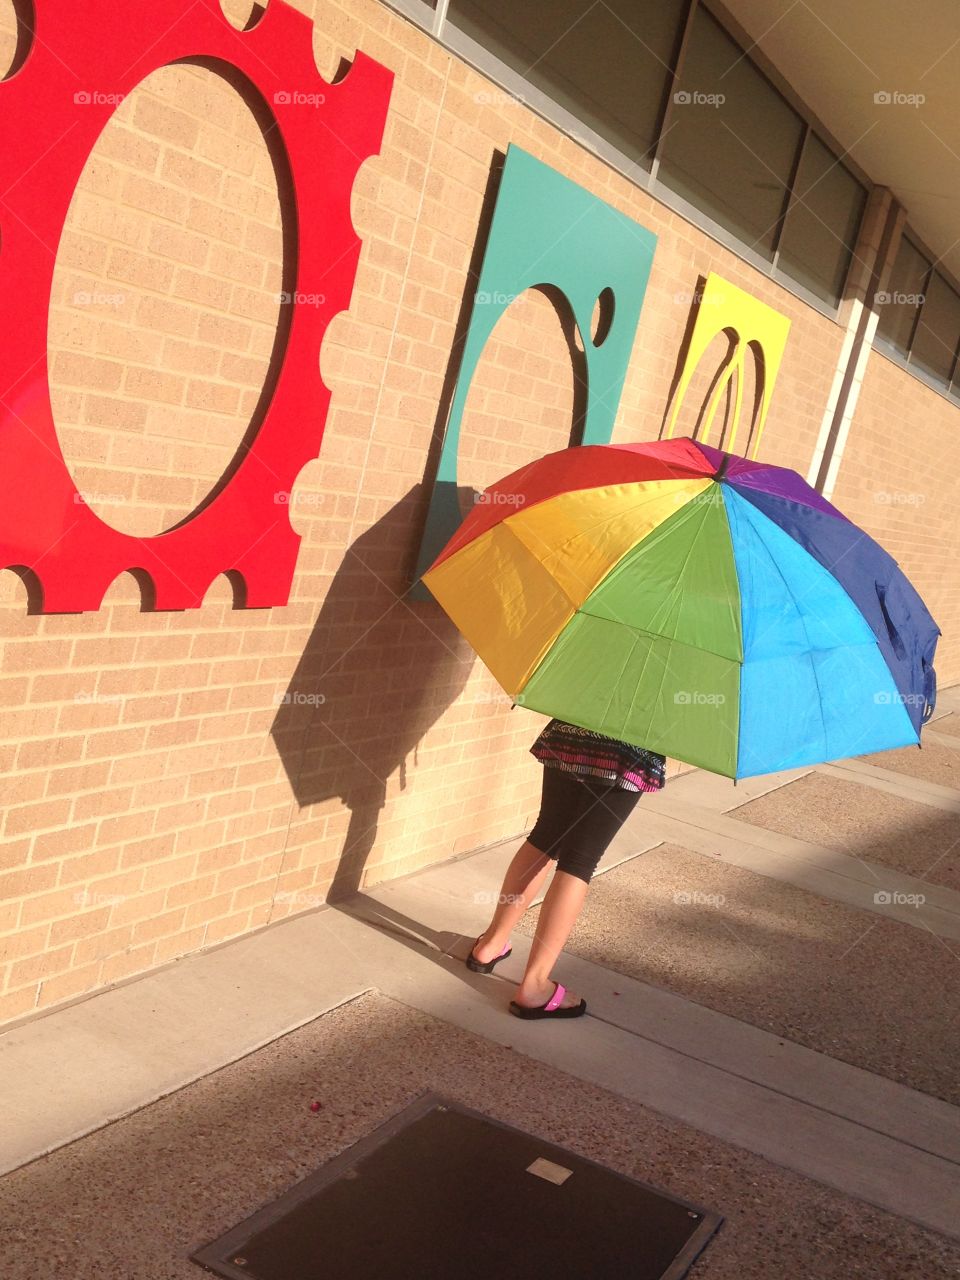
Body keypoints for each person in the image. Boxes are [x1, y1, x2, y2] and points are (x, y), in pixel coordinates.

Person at [465, 717, 666, 1020]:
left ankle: (491, 944)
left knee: (545, 835)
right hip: (631, 747)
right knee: (580, 860)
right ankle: (534, 986)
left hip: (575, 728)